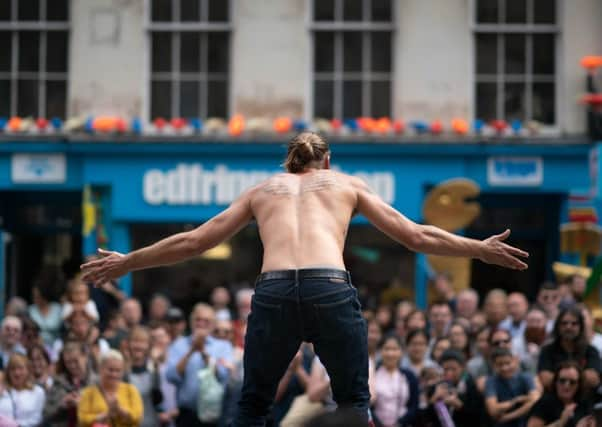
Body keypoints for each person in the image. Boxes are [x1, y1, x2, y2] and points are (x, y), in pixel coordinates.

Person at [80, 131, 529, 425]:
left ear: (288, 165)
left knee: (254, 403)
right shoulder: (345, 185)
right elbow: (414, 235)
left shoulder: (262, 191)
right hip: (329, 287)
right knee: (353, 399)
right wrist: (479, 248)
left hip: (274, 290)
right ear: (327, 162)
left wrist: (127, 262)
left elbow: (195, 241)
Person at [538, 306, 601, 391]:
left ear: (581, 327)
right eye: (564, 323)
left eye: (574, 324)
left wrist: (560, 379)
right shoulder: (547, 350)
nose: (568, 327)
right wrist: (579, 378)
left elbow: (593, 380)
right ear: (558, 326)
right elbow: (545, 380)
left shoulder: (590, 350)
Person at [77, 350, 143, 427]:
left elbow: (138, 417)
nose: (114, 374)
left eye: (118, 370)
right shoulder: (88, 392)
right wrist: (105, 415)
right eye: (110, 370)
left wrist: (119, 410)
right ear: (100, 369)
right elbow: (82, 419)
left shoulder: (131, 390)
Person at [43, 341, 97, 427]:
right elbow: (46, 413)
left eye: (76, 361)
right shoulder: (59, 382)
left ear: (85, 357)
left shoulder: (97, 382)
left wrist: (83, 403)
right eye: (68, 362)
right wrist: (62, 405)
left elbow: (104, 411)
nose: (72, 366)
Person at [371, 334, 419, 427]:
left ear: (401, 352)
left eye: (394, 349)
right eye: (386, 349)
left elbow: (414, 406)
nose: (390, 354)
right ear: (380, 351)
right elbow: (368, 405)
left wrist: (399, 423)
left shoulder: (409, 376)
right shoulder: (372, 375)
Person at [484, 348, 540, 427]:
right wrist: (516, 401)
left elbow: (535, 400)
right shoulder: (491, 381)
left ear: (515, 361)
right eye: (500, 365)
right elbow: (493, 410)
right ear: (494, 365)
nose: (505, 368)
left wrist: (508, 417)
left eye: (508, 363)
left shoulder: (525, 377)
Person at [528, 361, 591, 427]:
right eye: (562, 380)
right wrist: (560, 423)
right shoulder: (544, 403)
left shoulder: (584, 403)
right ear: (555, 382)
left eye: (572, 382)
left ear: (579, 385)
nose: (567, 385)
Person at [0, 354, 46, 427]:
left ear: (28, 370)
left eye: (21, 368)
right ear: (8, 372)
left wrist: (17, 425)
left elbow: (37, 418)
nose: (17, 373)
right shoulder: (3, 391)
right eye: (13, 369)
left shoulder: (38, 391)